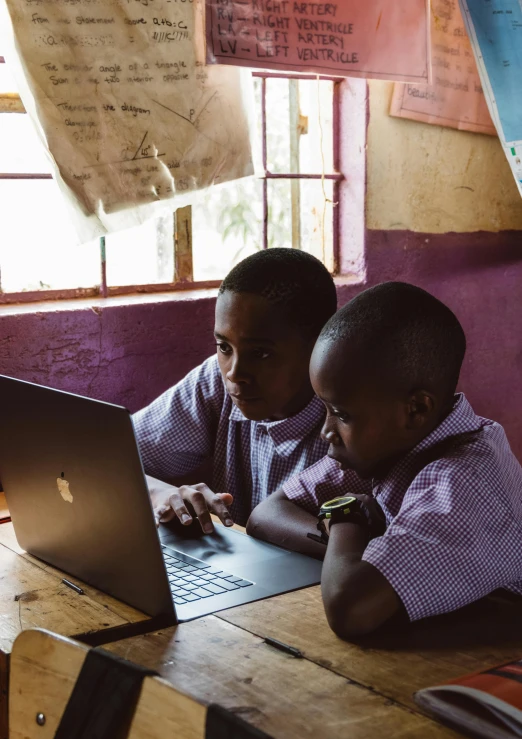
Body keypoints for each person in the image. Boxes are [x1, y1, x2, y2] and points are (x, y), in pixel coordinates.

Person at [247, 282, 522, 637]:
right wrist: (348, 551)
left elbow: (349, 608)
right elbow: (267, 515)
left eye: (340, 413)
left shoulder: (463, 483)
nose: (326, 431)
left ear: (416, 409)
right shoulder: (393, 445)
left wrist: (346, 517)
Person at [133, 247, 337, 534]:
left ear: (319, 346)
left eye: (261, 353)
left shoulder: (352, 416)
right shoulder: (216, 382)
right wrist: (160, 493)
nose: (235, 373)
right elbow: (107, 457)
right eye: (224, 347)